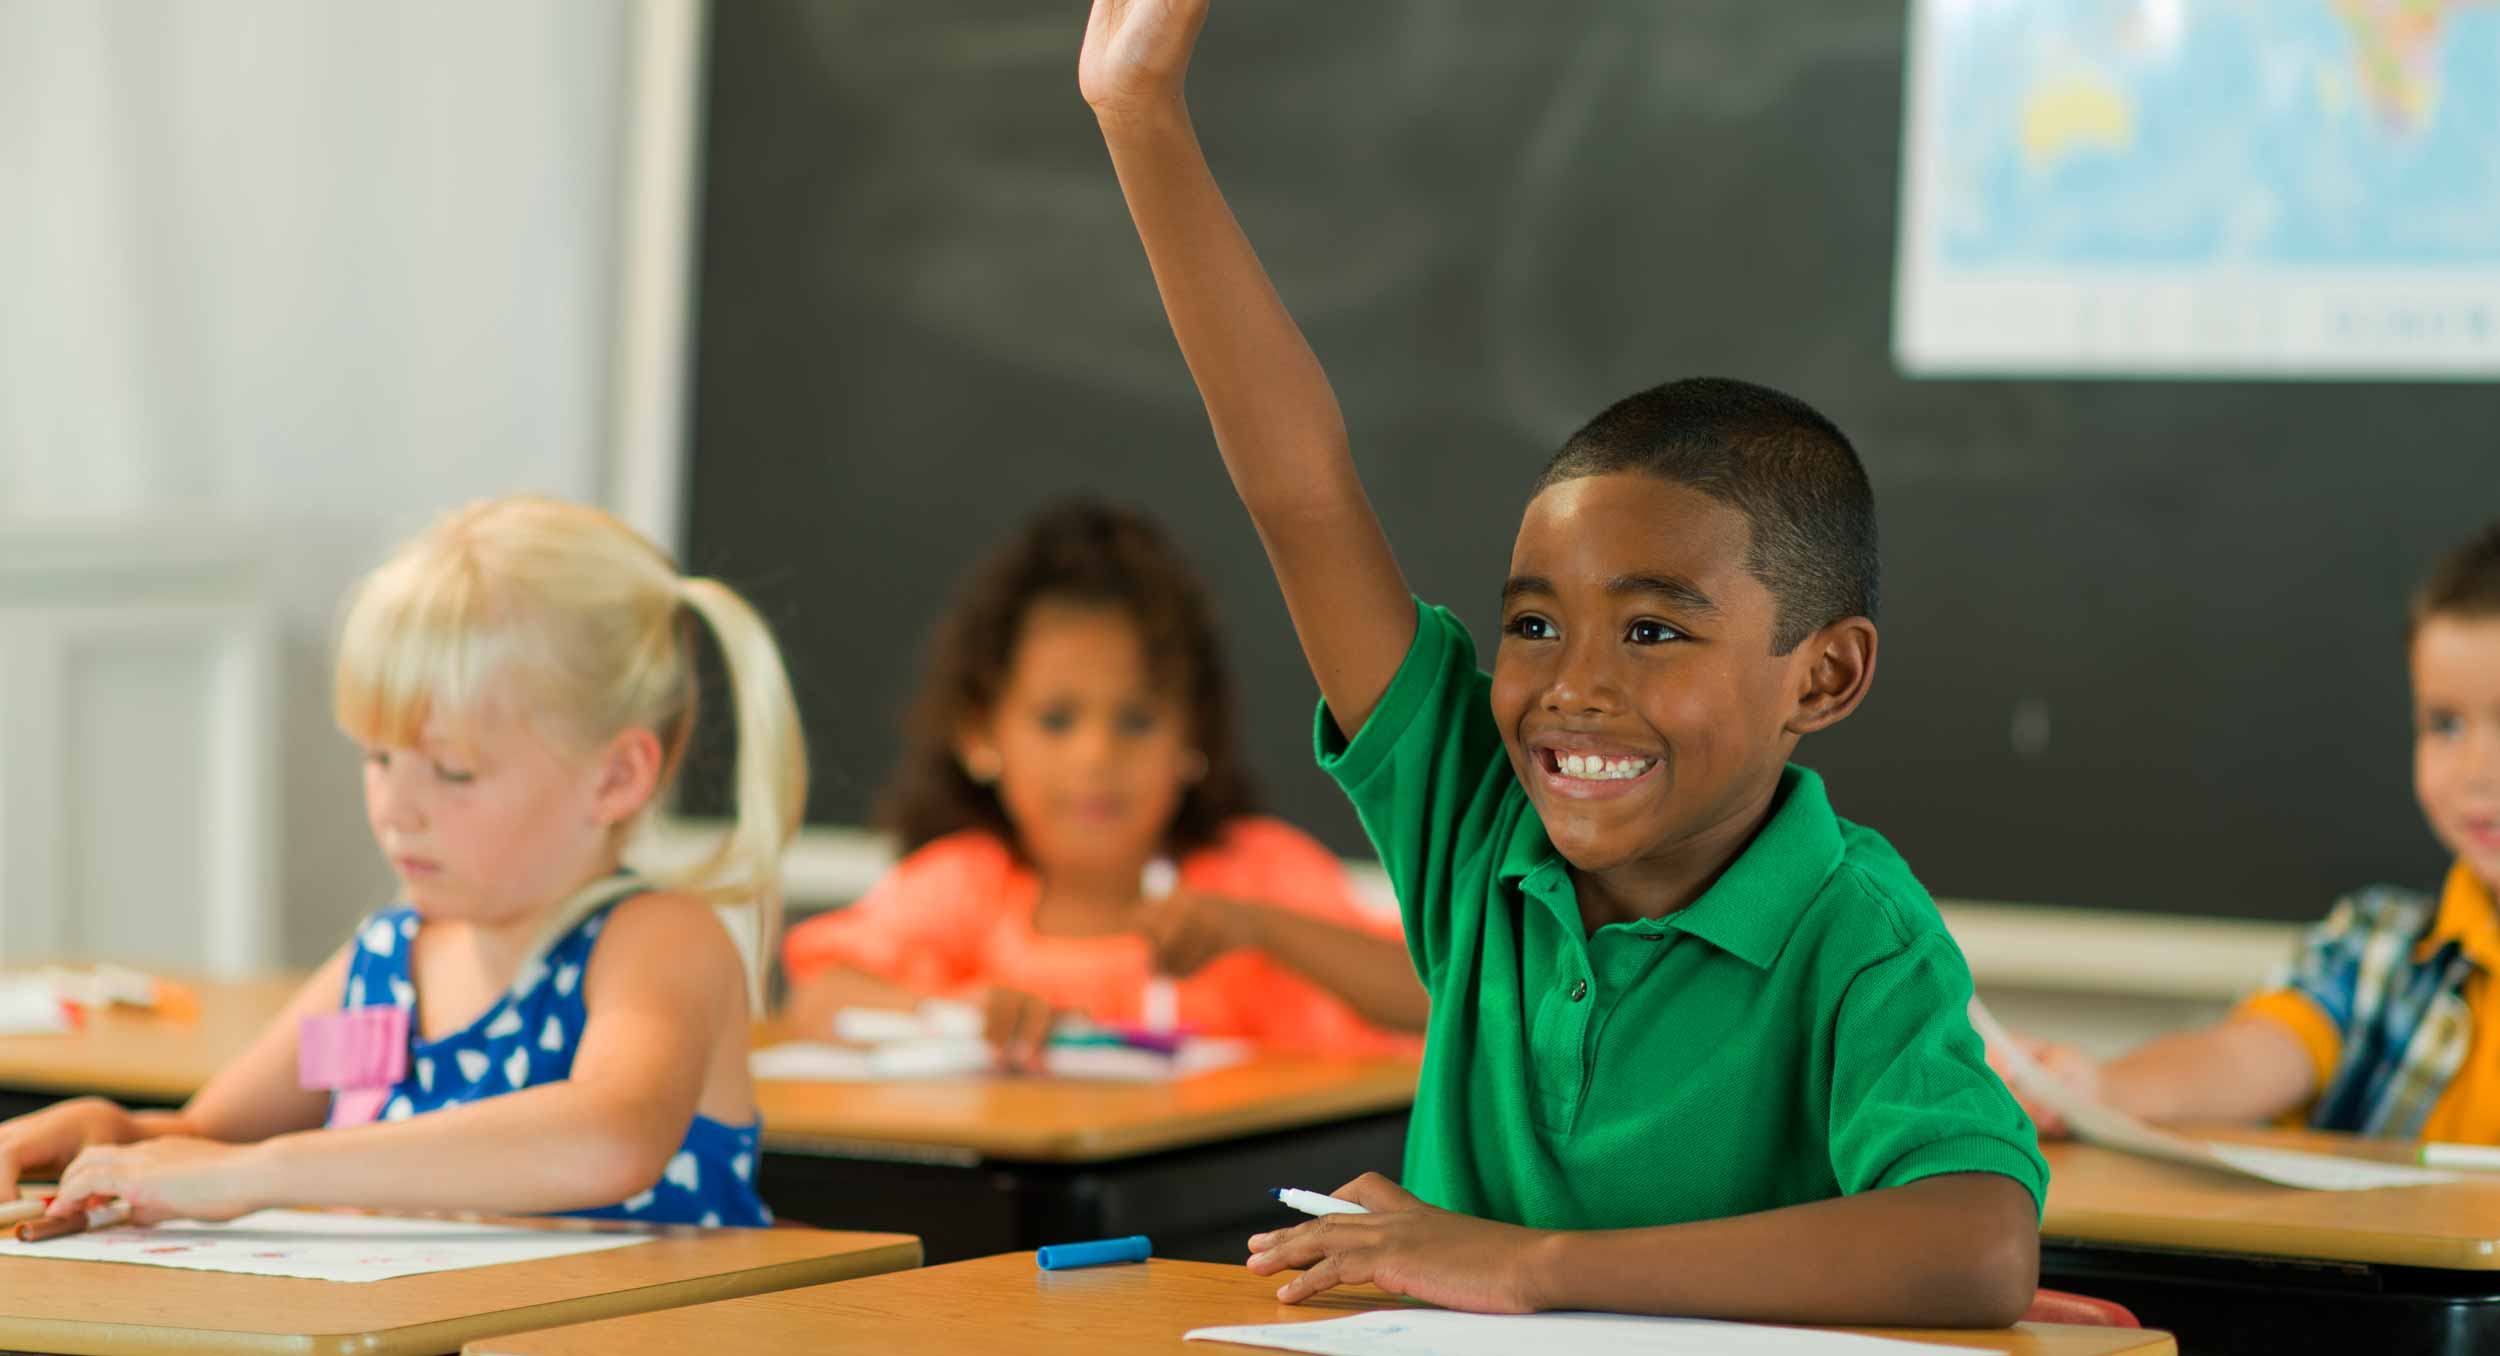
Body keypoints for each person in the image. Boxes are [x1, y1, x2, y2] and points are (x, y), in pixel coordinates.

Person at [1077, 0, 2044, 1325]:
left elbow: (1980, 1246)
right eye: (1534, 623)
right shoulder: (1482, 834)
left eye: (1653, 630)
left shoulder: (1856, 935)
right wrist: (1142, 119)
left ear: (1820, 679)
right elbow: (1299, 489)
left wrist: (1523, 1268)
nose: (1571, 686)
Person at [0, 497, 804, 1227]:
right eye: (379, 758)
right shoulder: (386, 960)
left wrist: (262, 1171)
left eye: (452, 770)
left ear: (617, 777)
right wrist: (114, 1134)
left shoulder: (660, 940)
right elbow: (207, 1140)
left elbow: (608, 1136)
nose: (396, 806)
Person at [781, 500, 1424, 1066]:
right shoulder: (965, 885)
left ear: (1192, 735)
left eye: (1137, 719)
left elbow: (1434, 999)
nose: (1096, 754)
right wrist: (955, 1015)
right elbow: (817, 1002)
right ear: (980, 734)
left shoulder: (1254, 875)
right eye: (1056, 719)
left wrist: (1257, 928)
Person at [2006, 522, 2500, 1144]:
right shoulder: (2378, 951)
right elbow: (2247, 1055)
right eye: (2445, 725)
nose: (2478, 773)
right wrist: (2099, 1089)